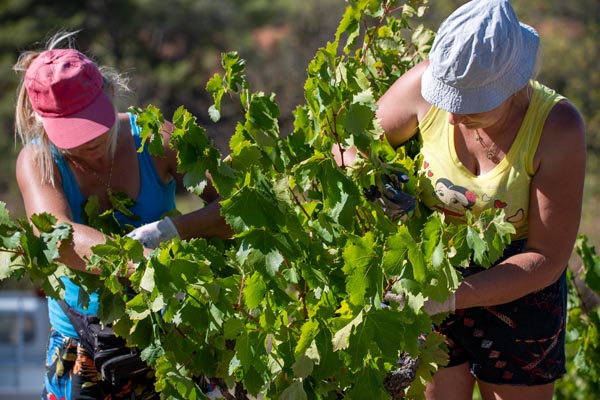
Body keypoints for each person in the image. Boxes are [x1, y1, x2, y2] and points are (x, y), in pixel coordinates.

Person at [374, 0, 585, 399]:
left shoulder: (557, 128)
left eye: (468, 104)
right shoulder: (422, 88)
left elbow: (546, 258)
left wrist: (448, 298)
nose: (451, 117)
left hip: (520, 296)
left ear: (510, 86)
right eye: (447, 98)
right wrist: (378, 180)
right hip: (433, 271)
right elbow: (347, 149)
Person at [13, 31, 231, 399]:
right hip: (85, 346)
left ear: (110, 93)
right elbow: (60, 240)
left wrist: (169, 231)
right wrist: (139, 261)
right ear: (41, 121)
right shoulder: (38, 162)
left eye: (92, 126)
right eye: (71, 133)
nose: (86, 143)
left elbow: (231, 210)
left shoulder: (157, 139)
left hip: (170, 337)